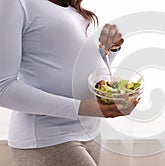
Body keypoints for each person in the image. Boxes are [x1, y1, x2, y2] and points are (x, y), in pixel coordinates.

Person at [0, 0, 140, 165]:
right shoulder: (14, 3)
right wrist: (85, 107)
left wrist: (110, 49)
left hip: (90, 131)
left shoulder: (73, 10)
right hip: (47, 137)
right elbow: (3, 89)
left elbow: (80, 65)